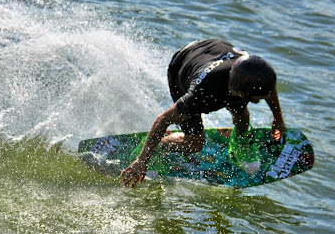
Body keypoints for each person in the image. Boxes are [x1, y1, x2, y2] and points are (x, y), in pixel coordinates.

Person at [121, 38, 286, 188]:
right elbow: (163, 120)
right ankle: (157, 146)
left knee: (242, 115)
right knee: (195, 143)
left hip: (214, 50)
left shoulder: (248, 73)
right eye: (260, 96)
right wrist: (142, 160)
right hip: (182, 67)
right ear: (240, 90)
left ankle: (240, 144)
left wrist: (278, 118)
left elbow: (269, 90)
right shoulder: (202, 93)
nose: (265, 97)